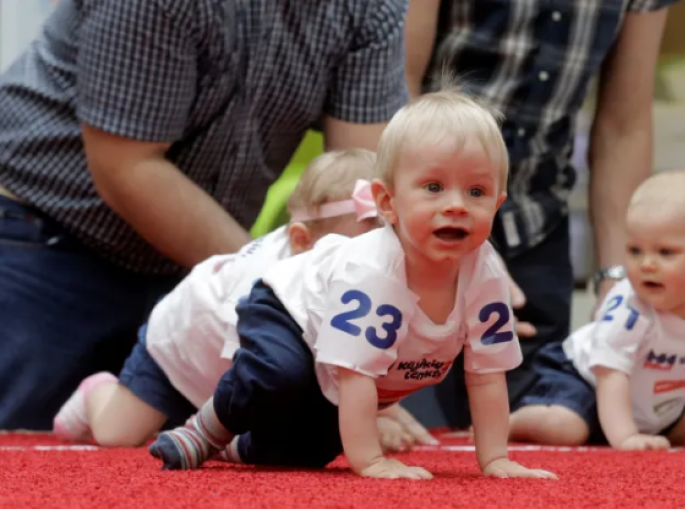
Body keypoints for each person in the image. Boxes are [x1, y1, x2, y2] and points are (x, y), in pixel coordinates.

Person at [0, 0, 409, 430]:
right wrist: (285, 305)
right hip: (46, 244)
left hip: (198, 271)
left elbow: (365, 185)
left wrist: (358, 372)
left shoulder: (367, 7)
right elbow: (127, 166)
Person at [145, 89, 557, 480]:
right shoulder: (376, 271)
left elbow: (486, 375)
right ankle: (206, 429)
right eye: (433, 187)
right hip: (290, 309)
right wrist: (371, 460)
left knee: (310, 451)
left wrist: (496, 459)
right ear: (386, 203)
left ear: (497, 204)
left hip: (346, 358)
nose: (455, 204)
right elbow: (357, 375)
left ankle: (235, 448)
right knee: (278, 372)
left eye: (476, 191)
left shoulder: (486, 276)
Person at [401, 0, 682, 429]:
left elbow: (625, 123)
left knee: (544, 435)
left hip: (534, 230)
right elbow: (398, 83)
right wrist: (446, 242)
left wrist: (618, 277)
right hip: (424, 234)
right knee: (412, 437)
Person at [52, 148, 384, 447]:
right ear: (302, 241)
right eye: (354, 253)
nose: (371, 263)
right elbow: (251, 365)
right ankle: (96, 390)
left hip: (226, 360)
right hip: (179, 344)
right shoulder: (263, 283)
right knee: (117, 434)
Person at [509, 170, 685, 451]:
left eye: (665, 252)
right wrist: (626, 436)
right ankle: (512, 421)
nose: (646, 264)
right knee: (565, 428)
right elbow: (610, 375)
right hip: (585, 381)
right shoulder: (629, 307)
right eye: (635, 251)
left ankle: (617, 428)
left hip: (656, 402)